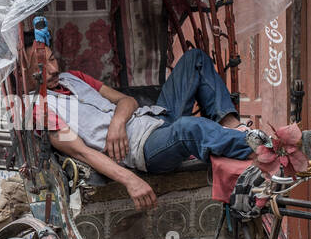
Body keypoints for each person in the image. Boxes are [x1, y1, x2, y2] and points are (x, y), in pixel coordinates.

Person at [26, 44, 253, 211]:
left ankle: (235, 129)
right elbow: (81, 152)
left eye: (53, 59)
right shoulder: (37, 108)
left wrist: (117, 123)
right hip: (143, 148)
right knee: (189, 128)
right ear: (24, 72)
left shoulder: (73, 77)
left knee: (195, 59)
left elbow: (127, 101)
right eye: (41, 66)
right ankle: (259, 150)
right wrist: (130, 180)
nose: (53, 69)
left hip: (154, 118)